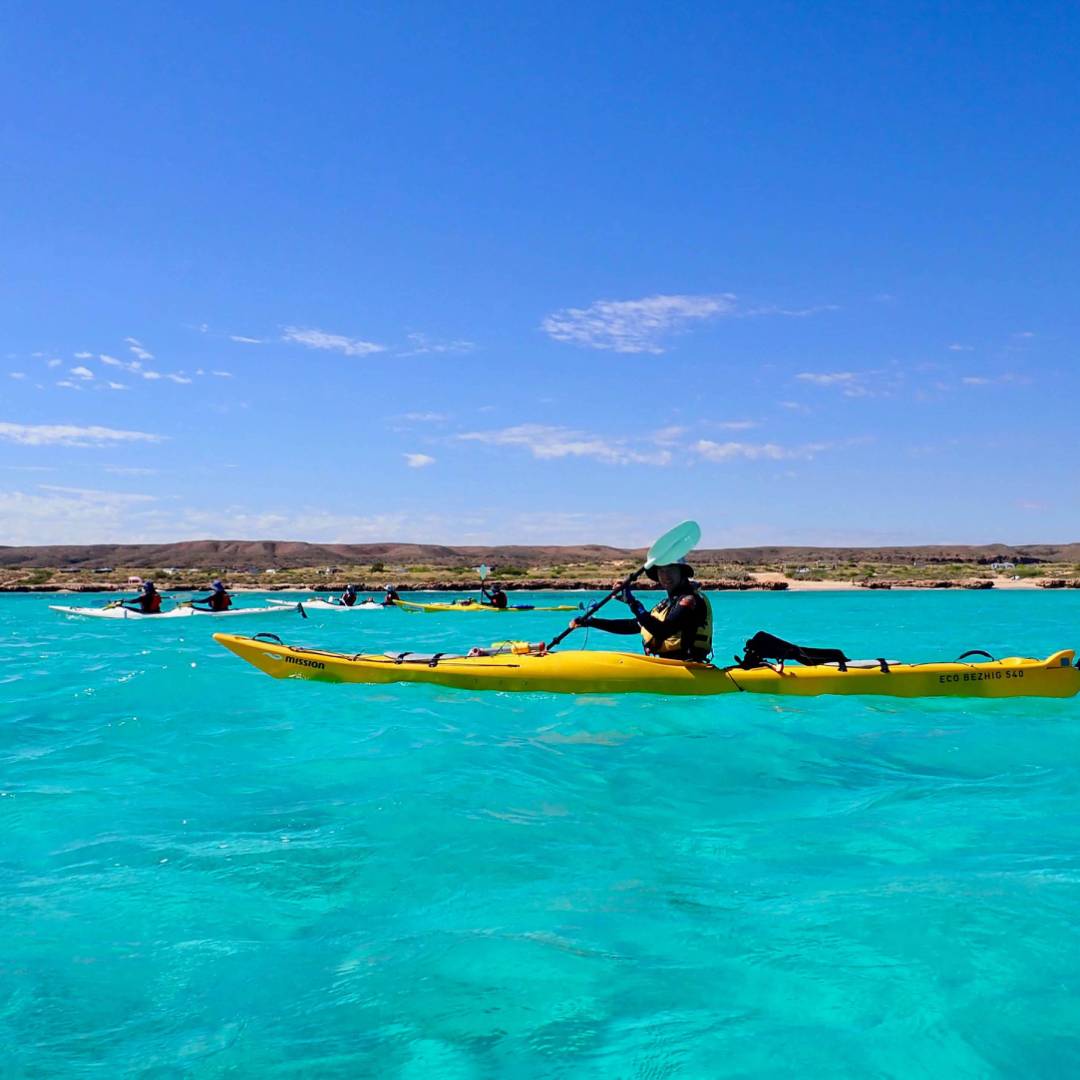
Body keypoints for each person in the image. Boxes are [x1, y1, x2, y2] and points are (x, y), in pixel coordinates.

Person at [568, 559, 712, 661]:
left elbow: (662, 631)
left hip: (688, 664)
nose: (666, 576)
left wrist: (632, 602)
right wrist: (591, 622)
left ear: (682, 573)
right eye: (661, 571)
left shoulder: (690, 600)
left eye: (671, 570)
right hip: (665, 664)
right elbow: (634, 625)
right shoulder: (667, 603)